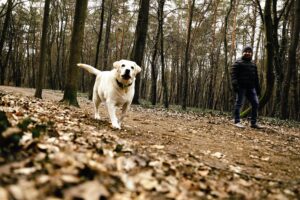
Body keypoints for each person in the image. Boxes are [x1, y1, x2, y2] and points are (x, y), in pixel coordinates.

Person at [231, 46, 262, 129]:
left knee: (255, 103)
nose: (248, 53)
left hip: (251, 88)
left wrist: (258, 89)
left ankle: (253, 123)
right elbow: (233, 76)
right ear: (243, 52)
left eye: (250, 52)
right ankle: (237, 121)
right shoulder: (237, 63)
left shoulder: (253, 64)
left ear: (251, 53)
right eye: (246, 51)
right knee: (239, 103)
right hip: (241, 87)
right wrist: (235, 85)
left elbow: (256, 78)